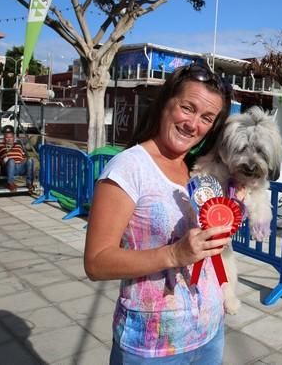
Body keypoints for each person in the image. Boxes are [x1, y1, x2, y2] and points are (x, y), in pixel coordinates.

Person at [84, 63, 233, 364]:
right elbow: (96, 262)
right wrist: (174, 254)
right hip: (152, 346)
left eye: (206, 118)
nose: (193, 124)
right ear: (166, 101)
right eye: (187, 108)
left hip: (210, 332)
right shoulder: (129, 167)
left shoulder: (198, 168)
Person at [0, 125, 35, 193]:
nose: (9, 139)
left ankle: (29, 183)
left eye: (11, 137)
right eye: (7, 137)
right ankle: (10, 183)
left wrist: (25, 160)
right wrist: (3, 161)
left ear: (14, 138)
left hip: (19, 167)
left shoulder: (18, 146)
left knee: (30, 160)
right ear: (4, 138)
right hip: (7, 167)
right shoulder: (0, 146)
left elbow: (23, 157)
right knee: (11, 161)